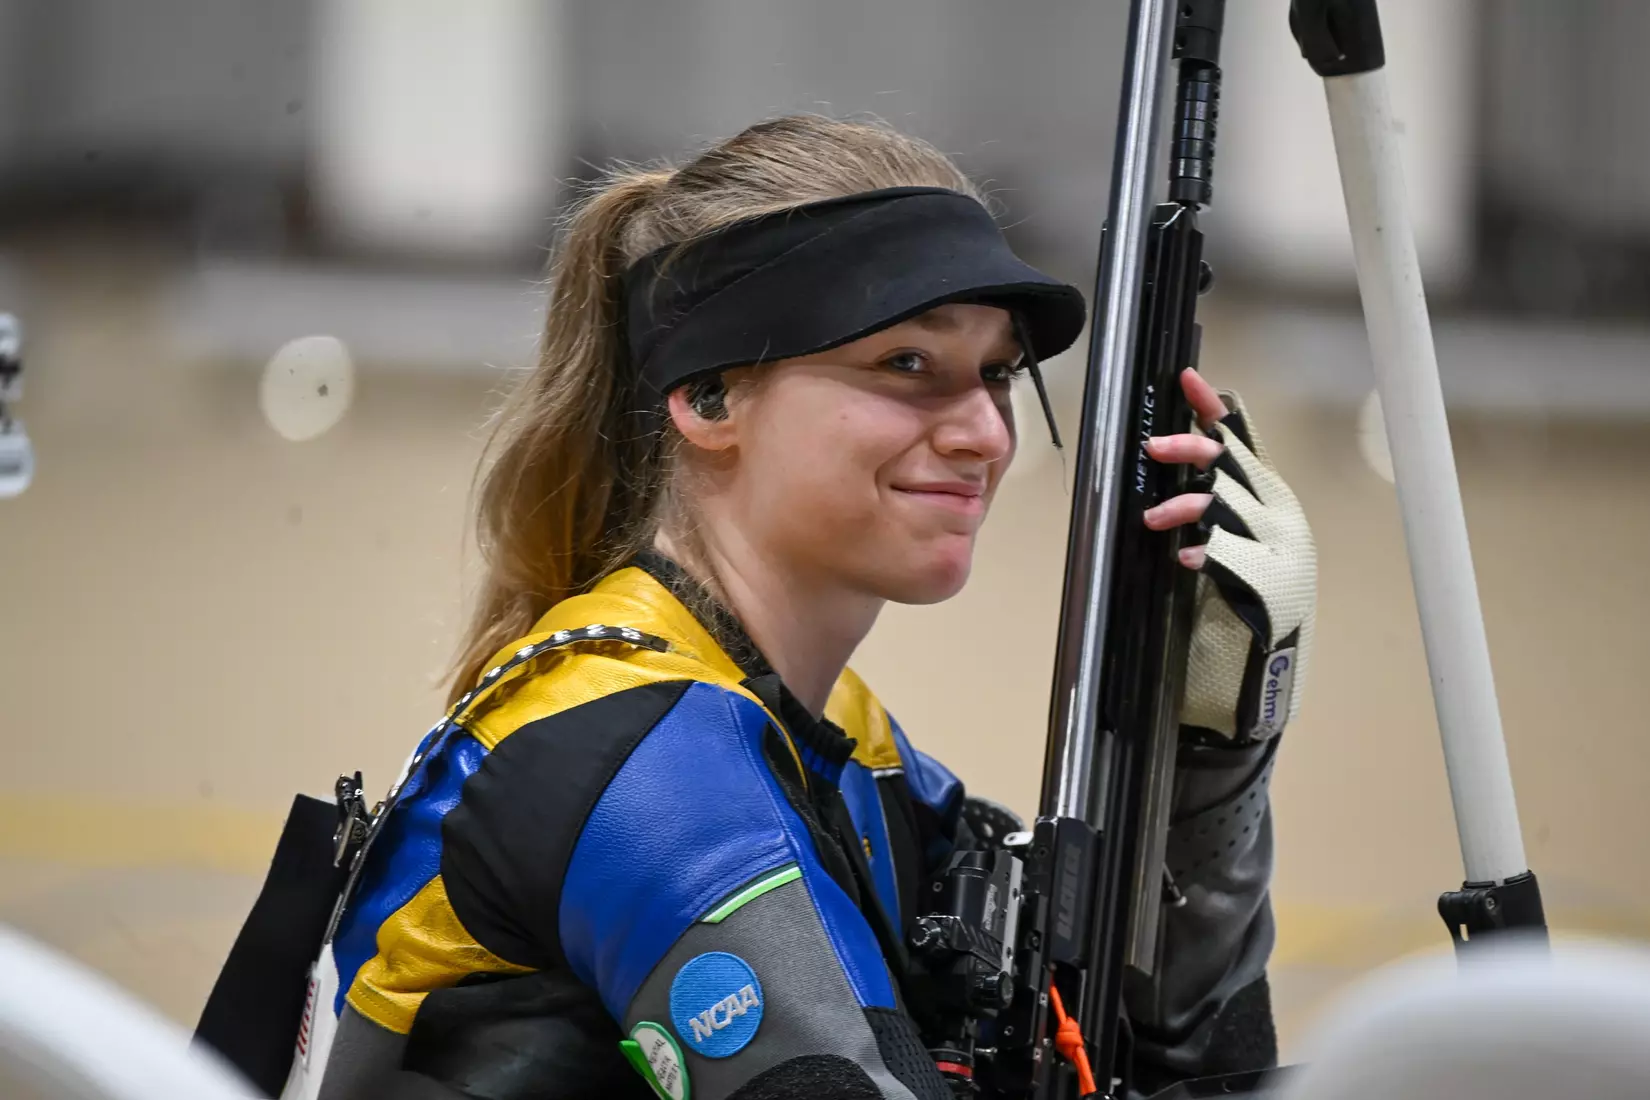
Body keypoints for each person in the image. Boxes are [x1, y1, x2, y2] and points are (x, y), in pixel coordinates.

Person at [305, 115, 1315, 1100]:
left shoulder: (842, 742)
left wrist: (1209, 754)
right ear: (709, 399)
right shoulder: (641, 750)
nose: (984, 433)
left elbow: (1146, 1051)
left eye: (998, 374)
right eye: (907, 364)